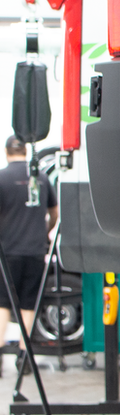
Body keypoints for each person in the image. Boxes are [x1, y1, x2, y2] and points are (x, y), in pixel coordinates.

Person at [0, 135, 58, 372]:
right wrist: (44, 233)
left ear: (6, 152)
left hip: (7, 253)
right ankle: (24, 356)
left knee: (2, 303)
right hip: (34, 252)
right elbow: (54, 212)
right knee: (28, 304)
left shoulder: (2, 178)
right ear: (25, 151)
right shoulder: (41, 178)